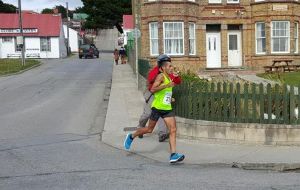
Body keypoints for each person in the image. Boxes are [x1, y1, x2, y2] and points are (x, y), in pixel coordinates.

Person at [124, 54, 185, 164]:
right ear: (163, 68)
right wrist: (166, 86)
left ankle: (173, 155)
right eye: (170, 66)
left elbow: (172, 86)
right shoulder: (160, 76)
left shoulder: (169, 77)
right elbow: (153, 89)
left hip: (167, 108)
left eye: (172, 66)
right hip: (157, 107)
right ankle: (131, 136)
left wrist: (170, 98)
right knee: (149, 129)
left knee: (173, 130)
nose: (172, 68)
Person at [137, 56, 181, 142]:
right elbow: (150, 81)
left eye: (169, 62)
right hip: (152, 94)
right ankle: (140, 128)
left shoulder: (169, 72)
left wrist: (176, 76)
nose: (169, 66)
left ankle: (162, 134)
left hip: (162, 96)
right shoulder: (154, 71)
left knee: (161, 115)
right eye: (166, 63)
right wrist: (161, 77)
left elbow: (177, 82)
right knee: (147, 113)